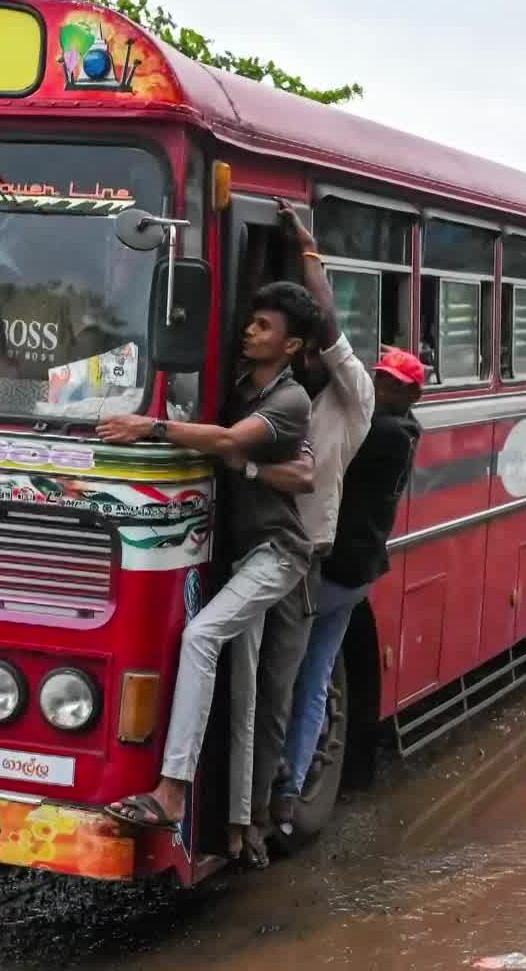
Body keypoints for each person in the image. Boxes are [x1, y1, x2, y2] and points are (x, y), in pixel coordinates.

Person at [98, 282, 319, 858]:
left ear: (291, 345)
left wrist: (149, 429)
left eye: (264, 327)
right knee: (242, 694)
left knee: (201, 636)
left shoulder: (290, 400)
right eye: (251, 321)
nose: (250, 330)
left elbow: (227, 441)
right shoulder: (244, 385)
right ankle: (239, 827)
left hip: (279, 553)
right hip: (243, 551)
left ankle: (172, 794)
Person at [234, 202, 374, 862]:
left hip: (300, 558)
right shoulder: (273, 393)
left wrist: (311, 253)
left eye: (316, 346)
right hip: (249, 544)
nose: (316, 352)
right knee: (255, 682)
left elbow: (330, 326)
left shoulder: (351, 401)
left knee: (281, 687)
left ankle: (269, 808)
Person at [273, 347, 423, 828]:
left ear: (409, 393)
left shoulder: (385, 432)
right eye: (377, 378)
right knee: (315, 677)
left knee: (287, 670)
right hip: (357, 573)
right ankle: (293, 788)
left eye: (391, 384)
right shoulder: (398, 428)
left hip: (338, 572)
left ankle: (277, 779)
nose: (379, 388)